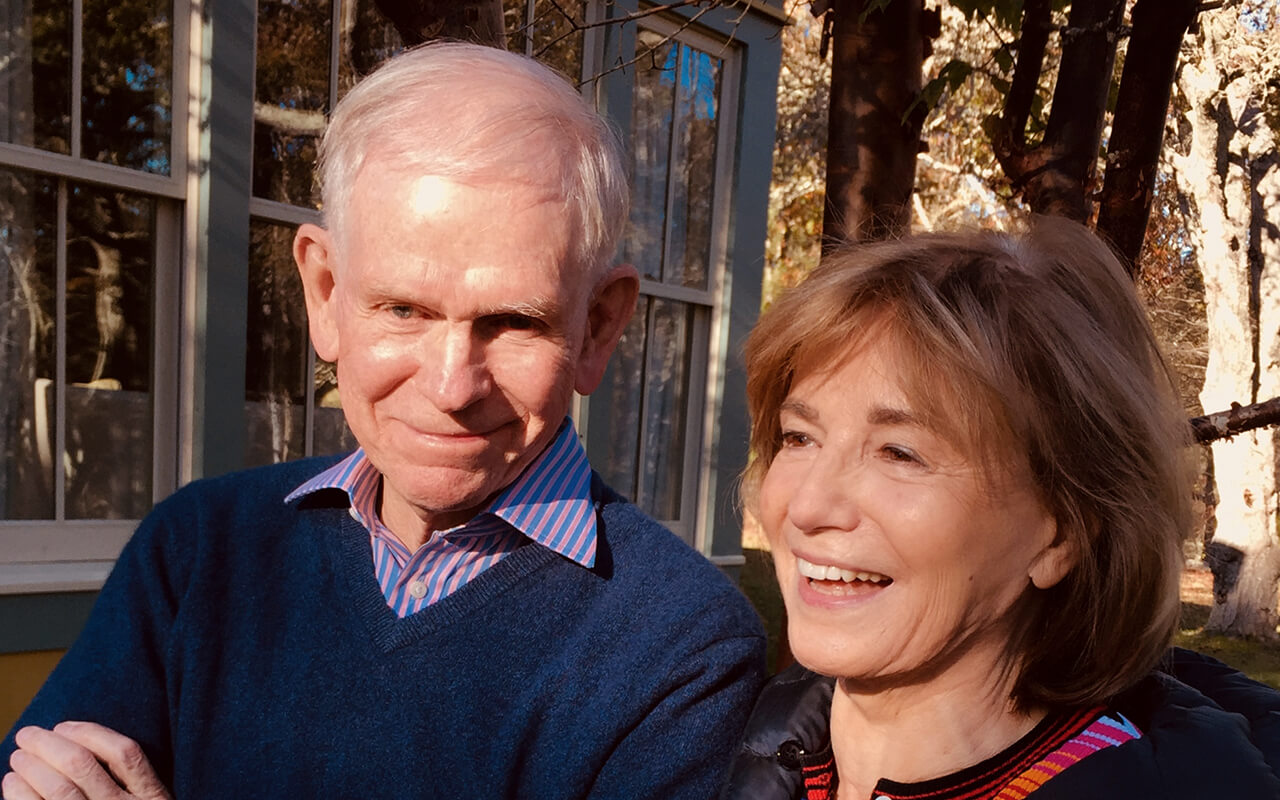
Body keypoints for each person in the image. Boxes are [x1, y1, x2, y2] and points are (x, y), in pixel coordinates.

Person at [2, 42, 766, 799]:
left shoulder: (684, 652)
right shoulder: (199, 552)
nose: (450, 384)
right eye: (403, 309)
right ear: (325, 292)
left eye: (511, 321)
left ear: (598, 328)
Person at [720, 219, 1280, 799]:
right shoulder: (748, 740)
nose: (808, 505)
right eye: (799, 436)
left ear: (1061, 534)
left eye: (899, 453)